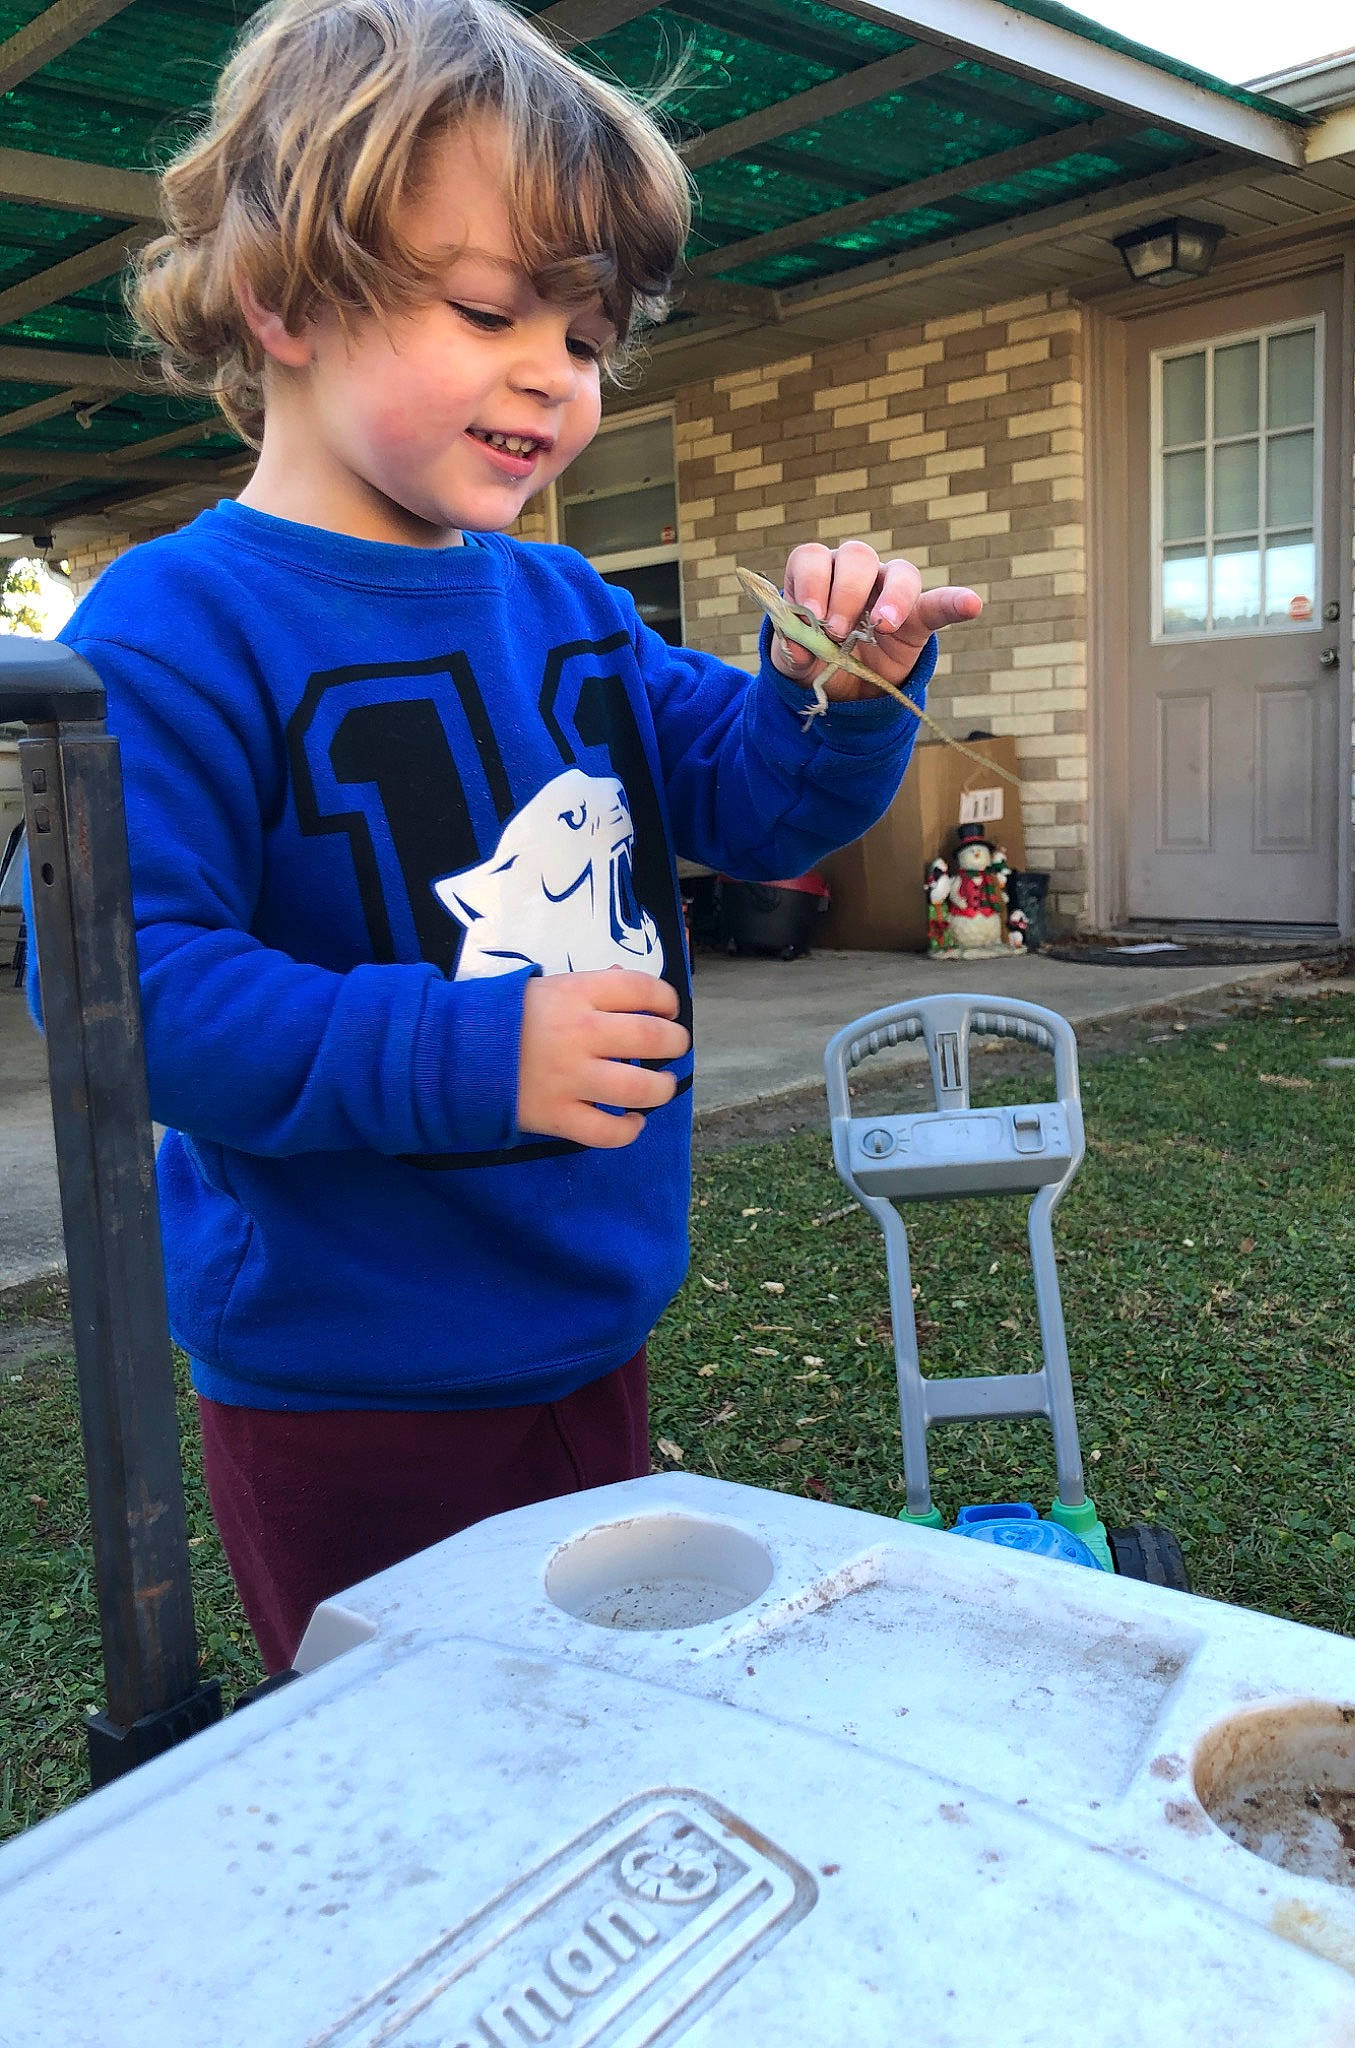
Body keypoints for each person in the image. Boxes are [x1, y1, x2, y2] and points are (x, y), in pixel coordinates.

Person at [33, 0, 983, 1671]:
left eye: (594, 337)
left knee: (585, 1726)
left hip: (587, 1320)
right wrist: (475, 1054)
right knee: (413, 1781)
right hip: (346, 1379)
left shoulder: (569, 606)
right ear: (280, 296)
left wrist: (837, 692)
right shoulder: (173, 625)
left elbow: (756, 803)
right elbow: (124, 997)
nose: (555, 371)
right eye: (488, 309)